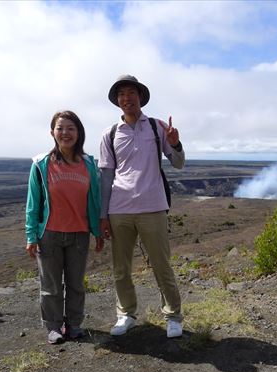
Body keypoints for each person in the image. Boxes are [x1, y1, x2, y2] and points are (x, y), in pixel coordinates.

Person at [99, 74, 185, 338]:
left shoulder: (157, 127)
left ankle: (173, 316)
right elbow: (105, 177)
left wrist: (175, 144)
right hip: (119, 209)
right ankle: (126, 315)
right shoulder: (110, 134)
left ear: (140, 97)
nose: (127, 98)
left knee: (161, 264)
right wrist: (103, 216)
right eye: (122, 94)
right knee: (121, 267)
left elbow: (178, 163)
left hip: (153, 207)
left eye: (131, 93)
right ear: (117, 101)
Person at [25, 110, 104, 344]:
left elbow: (95, 200)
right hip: (49, 234)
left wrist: (97, 232)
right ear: (52, 133)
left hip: (79, 234)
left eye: (71, 128)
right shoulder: (41, 164)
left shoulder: (88, 164)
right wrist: (31, 235)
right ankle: (54, 327)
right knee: (50, 286)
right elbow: (33, 203)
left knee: (76, 284)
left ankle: (74, 325)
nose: (65, 133)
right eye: (60, 128)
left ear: (79, 133)